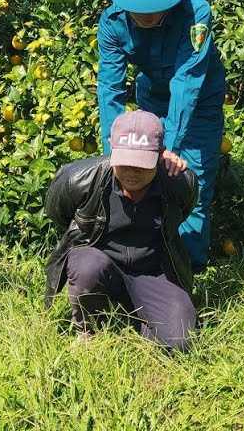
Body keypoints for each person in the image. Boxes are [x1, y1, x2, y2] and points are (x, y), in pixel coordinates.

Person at [97, 0, 226, 271]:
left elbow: (188, 80)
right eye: (138, 9)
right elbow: (110, 90)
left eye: (153, 8)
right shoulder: (112, 23)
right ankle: (149, 259)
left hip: (198, 102)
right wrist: (114, 150)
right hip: (153, 96)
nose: (145, 16)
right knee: (142, 173)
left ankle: (188, 270)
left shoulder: (196, 13)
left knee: (188, 179)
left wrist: (173, 145)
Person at [43, 110, 197, 351]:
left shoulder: (180, 182)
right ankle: (89, 329)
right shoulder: (78, 178)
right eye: (125, 163)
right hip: (100, 261)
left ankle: (130, 318)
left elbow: (182, 213)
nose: (132, 173)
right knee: (86, 265)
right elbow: (59, 213)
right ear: (110, 147)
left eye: (141, 165)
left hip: (153, 271)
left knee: (180, 342)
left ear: (160, 154)